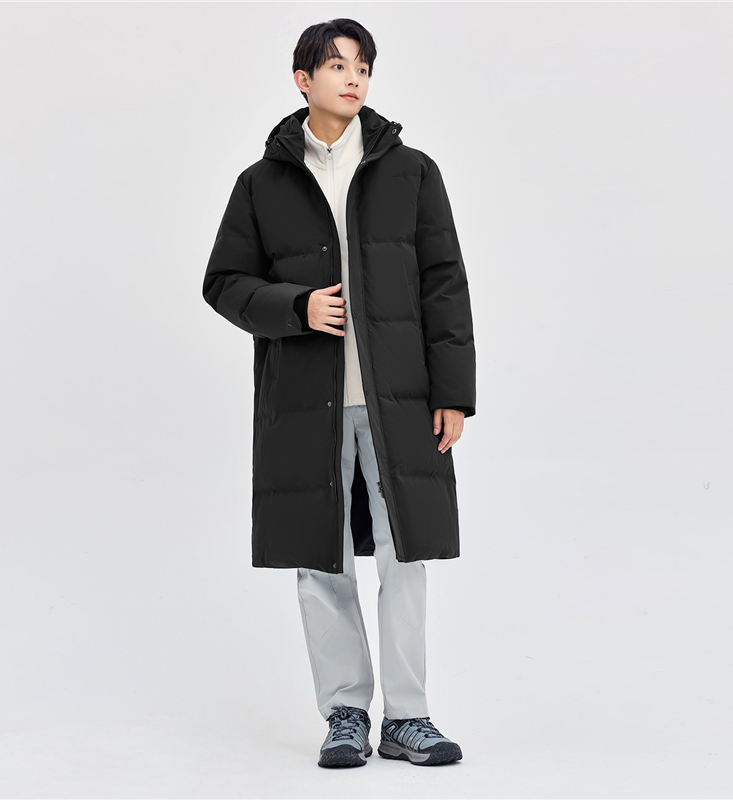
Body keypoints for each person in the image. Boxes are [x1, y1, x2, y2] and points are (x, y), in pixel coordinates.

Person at [202, 18, 476, 768]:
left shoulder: (412, 172)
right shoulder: (261, 184)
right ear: (304, 80)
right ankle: (346, 713)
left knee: (404, 555)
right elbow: (223, 283)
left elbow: (444, 285)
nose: (354, 78)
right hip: (304, 403)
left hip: (400, 402)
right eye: (337, 65)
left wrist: (452, 394)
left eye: (363, 67)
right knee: (320, 560)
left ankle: (409, 717)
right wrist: (295, 307)